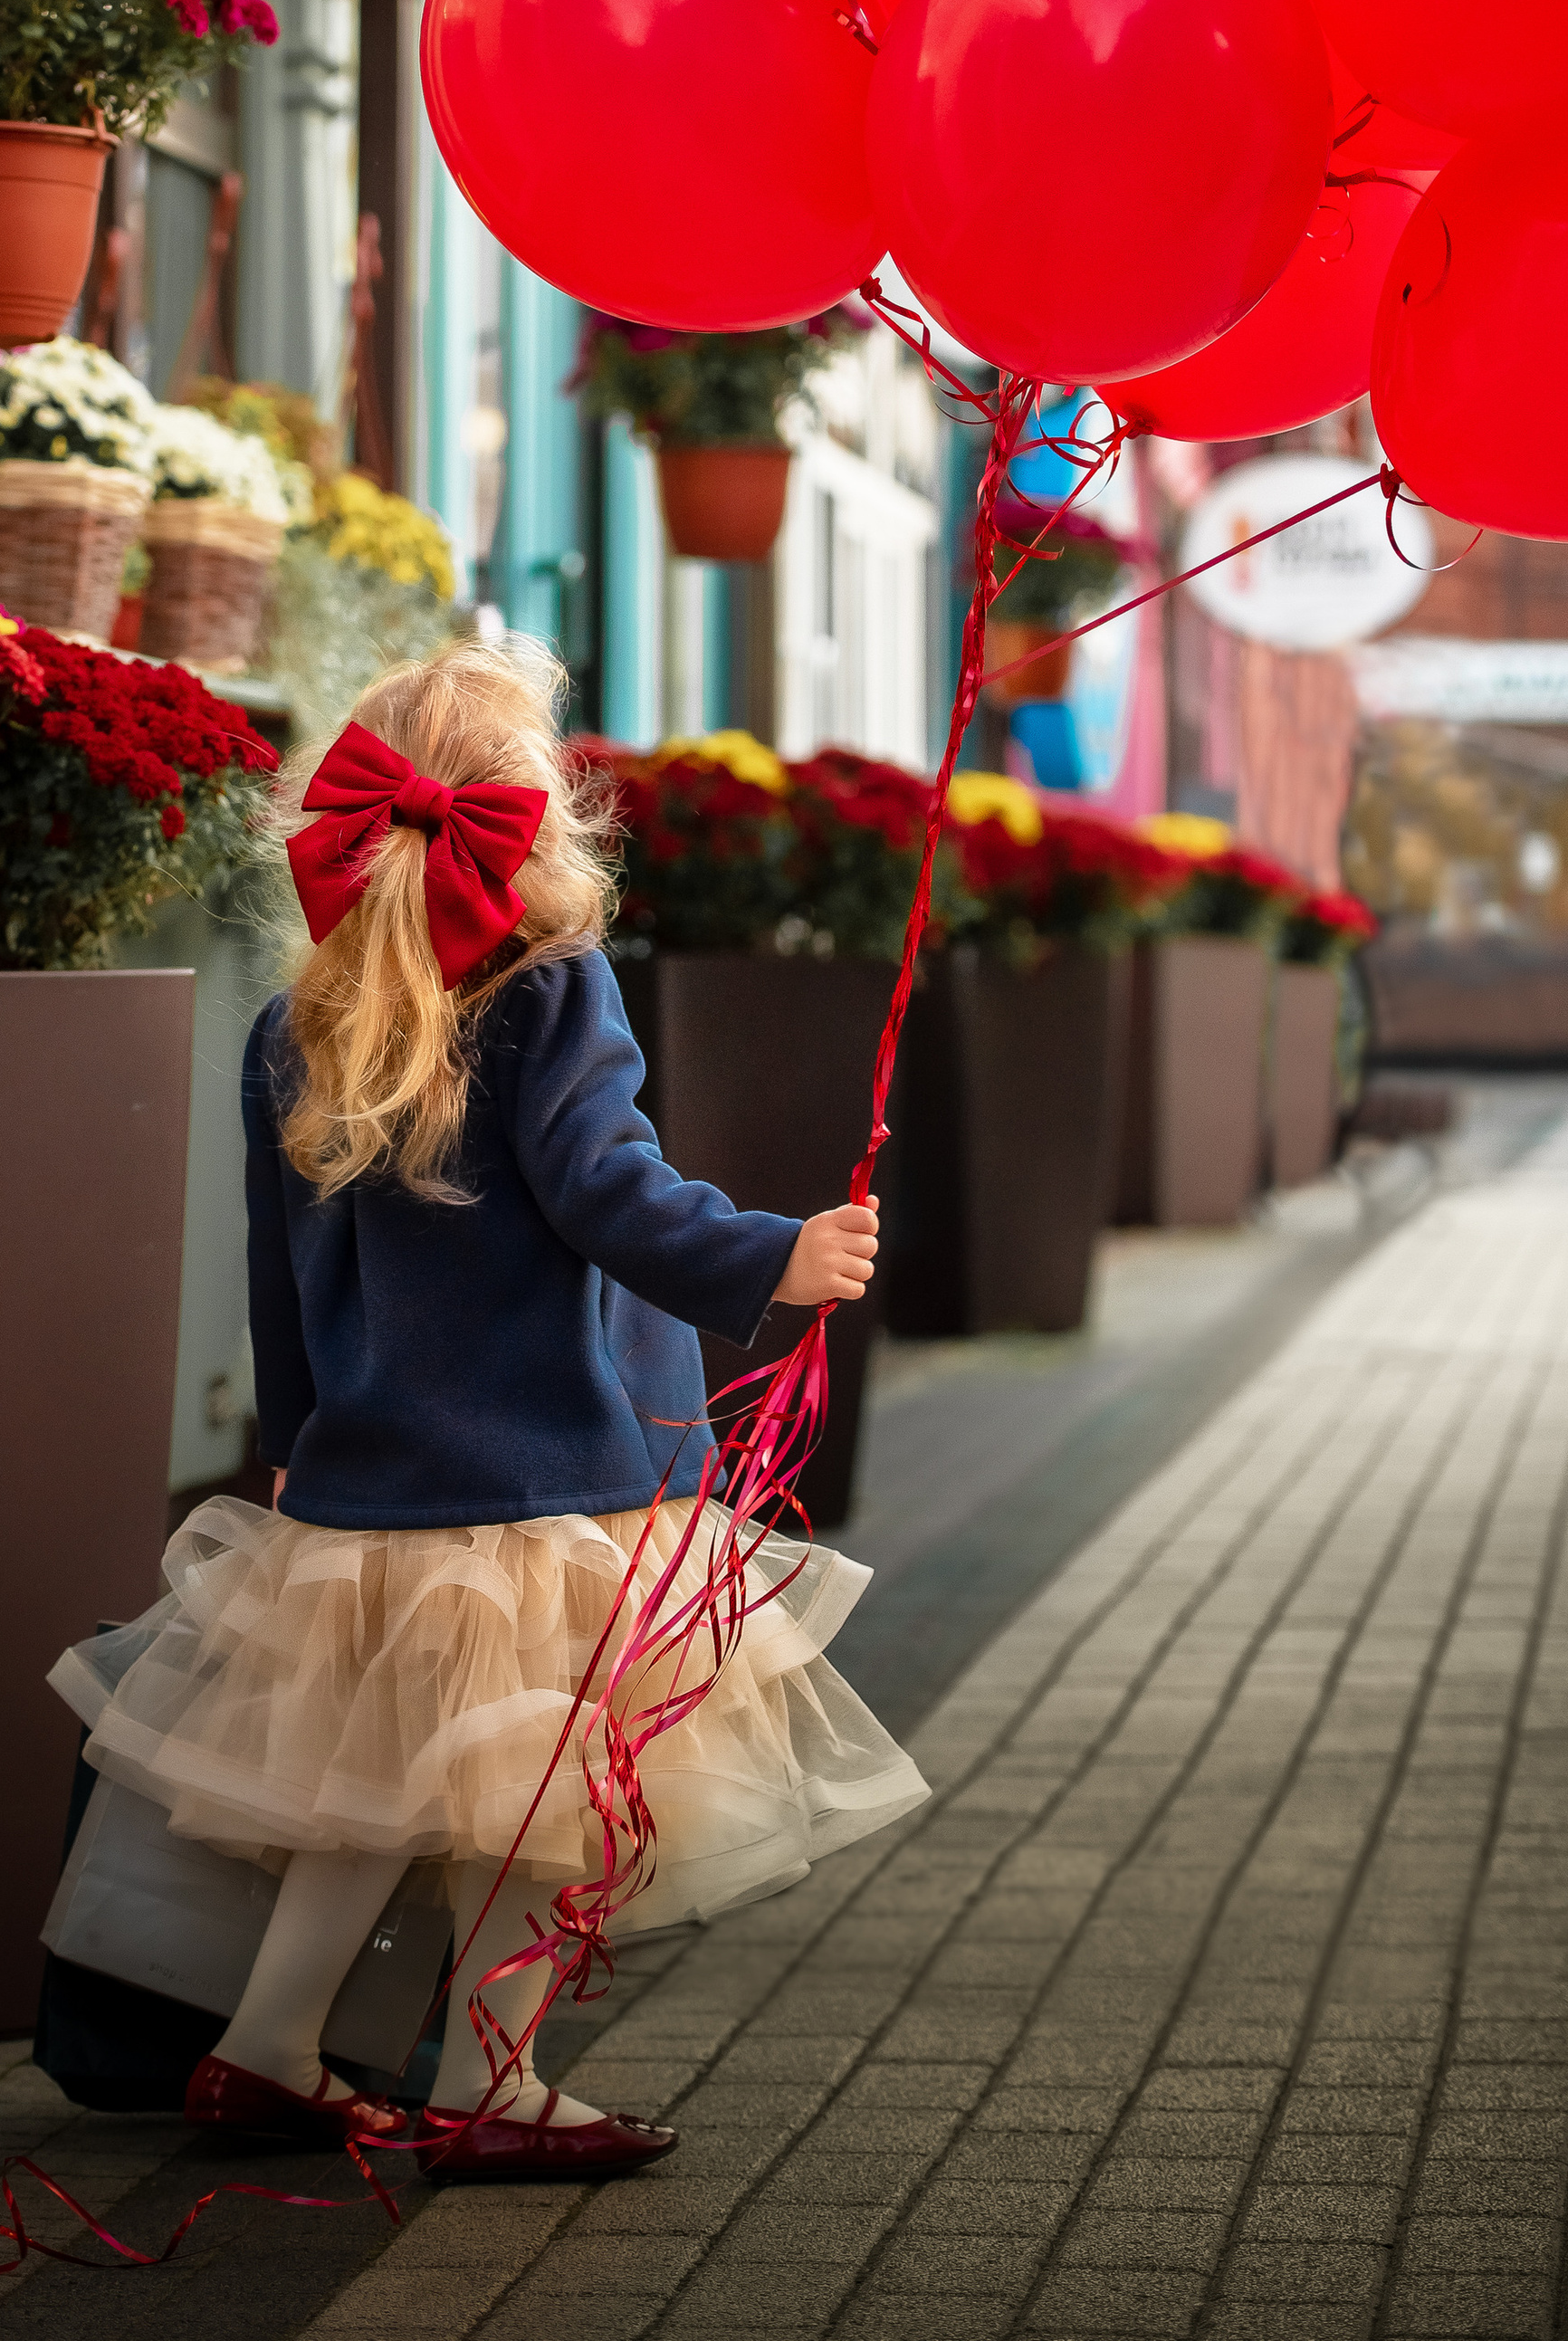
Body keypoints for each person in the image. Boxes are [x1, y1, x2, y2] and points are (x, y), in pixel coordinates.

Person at [54, 642, 928, 2183]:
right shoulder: (547, 996)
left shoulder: (294, 1026)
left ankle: (265, 2049)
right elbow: (612, 1195)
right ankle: (490, 2078)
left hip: (370, 1490)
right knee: (544, 1796)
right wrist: (775, 1258)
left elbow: (281, 1276)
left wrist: (299, 1439)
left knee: (363, 1792)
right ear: (540, 828)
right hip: (553, 1484)